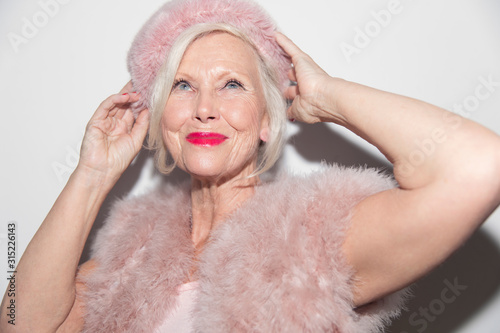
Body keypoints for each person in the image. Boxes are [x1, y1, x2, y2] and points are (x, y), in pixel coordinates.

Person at [2, 0, 500, 332]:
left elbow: (480, 167)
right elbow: (16, 322)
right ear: (160, 116)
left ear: (267, 119)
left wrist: (327, 97)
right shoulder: (132, 251)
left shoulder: (311, 233)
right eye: (182, 84)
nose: (204, 106)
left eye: (232, 85)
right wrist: (92, 174)